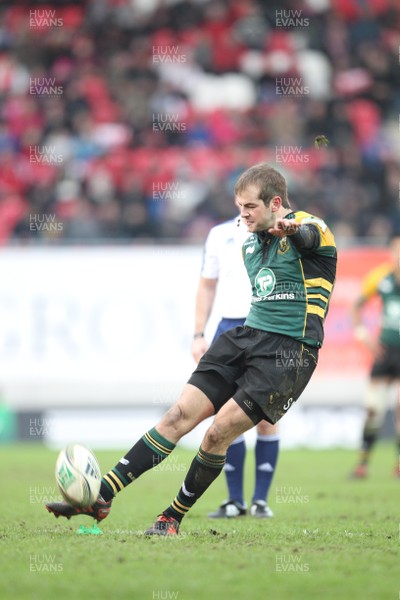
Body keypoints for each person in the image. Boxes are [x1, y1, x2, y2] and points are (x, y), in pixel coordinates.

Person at [46, 163, 337, 535]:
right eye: (239, 207)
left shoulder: (313, 227)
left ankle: (172, 517)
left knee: (218, 433)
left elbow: (308, 237)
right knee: (177, 415)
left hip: (289, 352)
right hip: (245, 336)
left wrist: (293, 230)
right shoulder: (249, 242)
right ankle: (100, 498)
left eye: (249, 207)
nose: (242, 215)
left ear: (275, 202)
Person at [192, 212, 279, 518]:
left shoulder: (279, 232)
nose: (246, 206)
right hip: (228, 328)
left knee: (266, 414)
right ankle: (234, 501)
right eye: (242, 199)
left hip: (266, 326)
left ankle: (260, 500)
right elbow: (207, 286)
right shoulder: (219, 234)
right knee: (225, 414)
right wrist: (199, 333)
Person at [350, 233, 400, 478]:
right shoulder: (381, 277)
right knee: (373, 409)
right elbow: (357, 304)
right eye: (397, 252)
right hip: (385, 351)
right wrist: (363, 336)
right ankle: (363, 463)